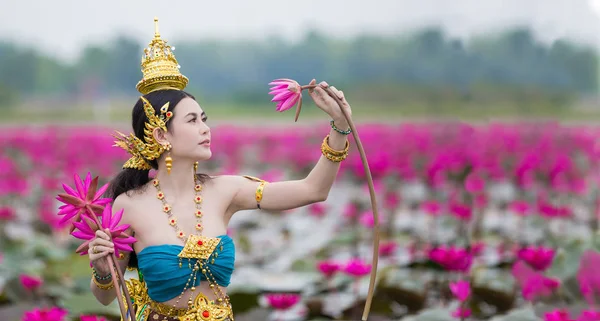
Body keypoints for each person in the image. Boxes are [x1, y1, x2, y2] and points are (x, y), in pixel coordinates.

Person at [86, 18, 353, 321]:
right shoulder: (128, 205)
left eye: (204, 118)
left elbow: (313, 190)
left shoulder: (227, 191)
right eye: (192, 121)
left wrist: (340, 127)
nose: (205, 129)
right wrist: (102, 272)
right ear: (161, 135)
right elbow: (106, 296)